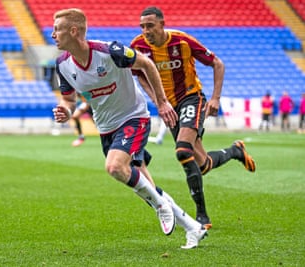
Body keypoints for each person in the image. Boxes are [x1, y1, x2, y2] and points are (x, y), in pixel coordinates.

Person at [51, 8, 207, 249]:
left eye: (57, 29)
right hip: (106, 129)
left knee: (115, 167)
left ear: (73, 31)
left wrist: (162, 102)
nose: (53, 34)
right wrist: (66, 110)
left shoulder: (109, 51)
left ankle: (160, 206)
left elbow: (146, 64)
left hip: (134, 118)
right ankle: (192, 227)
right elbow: (69, 100)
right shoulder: (62, 64)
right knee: (143, 184)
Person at [130, 6, 256, 229]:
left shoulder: (182, 41)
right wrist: (159, 101)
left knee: (182, 151)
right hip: (169, 107)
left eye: (150, 25)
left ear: (162, 23)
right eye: (142, 26)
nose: (145, 30)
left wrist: (215, 98)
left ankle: (202, 217)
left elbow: (218, 63)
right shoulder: (138, 46)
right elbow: (139, 75)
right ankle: (236, 151)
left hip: (191, 98)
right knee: (203, 164)